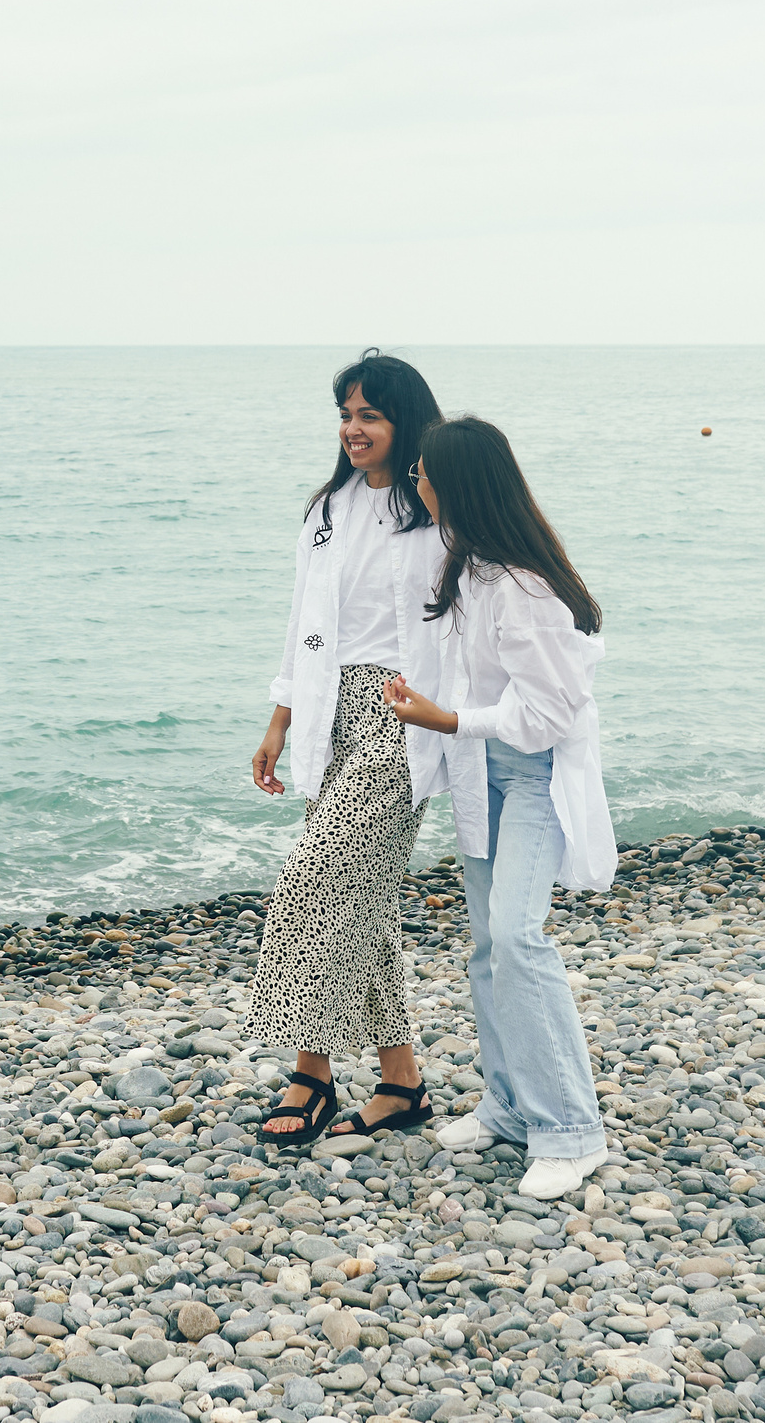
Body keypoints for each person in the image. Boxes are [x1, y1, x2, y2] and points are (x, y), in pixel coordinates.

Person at [379, 413, 618, 1200]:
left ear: (460, 483)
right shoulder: (466, 565)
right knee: (485, 944)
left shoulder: (523, 588)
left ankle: (572, 1130)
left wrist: (445, 719)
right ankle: (510, 1106)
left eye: (424, 473)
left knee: (518, 938)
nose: (416, 483)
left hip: (533, 776)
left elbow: (550, 714)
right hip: (481, 772)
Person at [246, 350, 453, 1146]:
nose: (353, 428)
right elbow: (303, 618)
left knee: (316, 879)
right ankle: (402, 1084)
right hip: (330, 708)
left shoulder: (433, 506)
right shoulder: (327, 507)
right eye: (345, 413)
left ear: (406, 421)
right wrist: (281, 716)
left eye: (370, 413)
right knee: (359, 900)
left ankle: (313, 1072)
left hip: (401, 716)